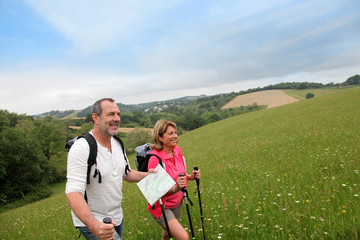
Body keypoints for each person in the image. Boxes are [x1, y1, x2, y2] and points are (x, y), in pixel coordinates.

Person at [65, 98, 155, 240]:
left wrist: (147, 175)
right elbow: (73, 193)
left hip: (116, 216)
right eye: (111, 114)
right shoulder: (82, 147)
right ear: (96, 117)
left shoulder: (118, 143)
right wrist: (95, 226)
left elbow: (126, 173)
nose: (117, 119)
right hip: (95, 220)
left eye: (118, 114)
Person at [147, 119, 201, 240]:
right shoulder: (155, 159)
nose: (175, 136)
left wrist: (190, 177)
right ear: (160, 137)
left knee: (167, 234)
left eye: (175, 133)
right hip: (161, 206)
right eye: (170, 133)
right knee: (183, 237)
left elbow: (178, 174)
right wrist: (176, 188)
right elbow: (153, 192)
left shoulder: (177, 150)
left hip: (177, 203)